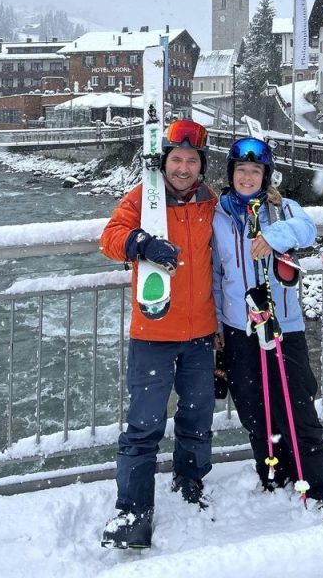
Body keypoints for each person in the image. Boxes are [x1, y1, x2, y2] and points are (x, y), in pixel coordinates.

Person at [99, 119, 217, 550]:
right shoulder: (144, 200)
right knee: (144, 425)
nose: (183, 168)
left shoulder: (211, 203)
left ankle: (190, 480)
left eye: (191, 160)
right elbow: (109, 237)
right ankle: (132, 510)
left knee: (196, 417)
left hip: (202, 330)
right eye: (176, 159)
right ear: (164, 161)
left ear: (200, 167)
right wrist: (141, 243)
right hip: (153, 330)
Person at [212, 136, 323, 521]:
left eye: (255, 171)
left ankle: (316, 488)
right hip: (237, 329)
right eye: (240, 170)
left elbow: (308, 230)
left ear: (265, 175)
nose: (247, 177)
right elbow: (217, 275)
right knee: (254, 410)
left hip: (284, 326)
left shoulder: (281, 209)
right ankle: (275, 474)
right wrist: (217, 326)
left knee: (297, 408)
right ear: (231, 174)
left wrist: (271, 236)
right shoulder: (218, 215)